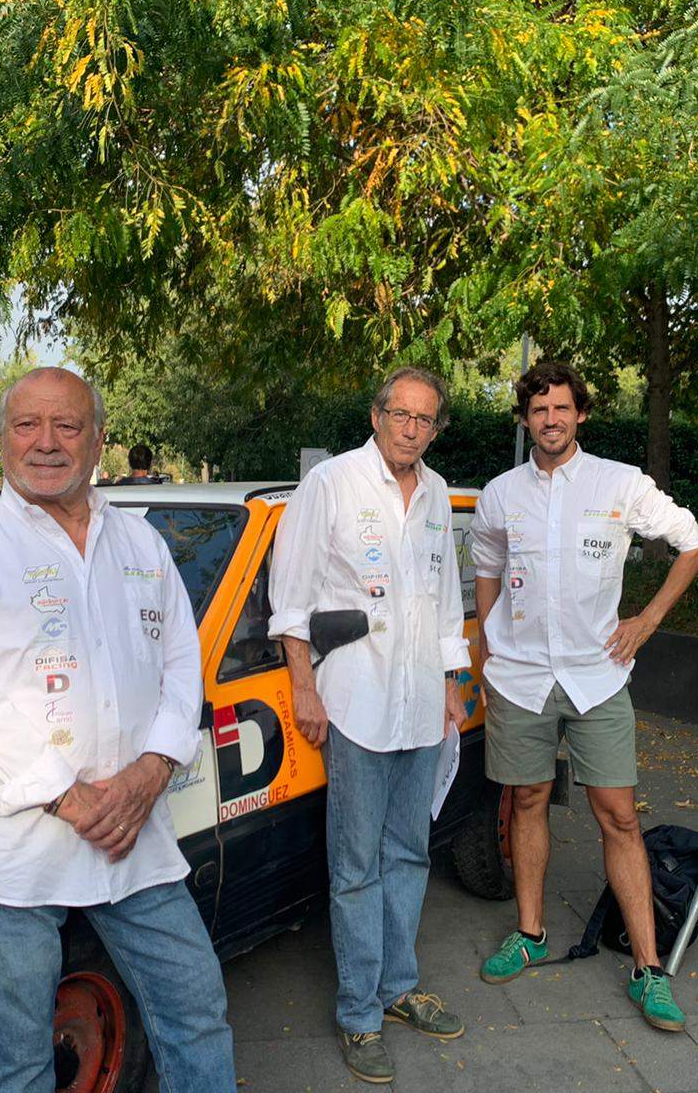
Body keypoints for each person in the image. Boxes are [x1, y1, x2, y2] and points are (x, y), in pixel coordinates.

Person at [0, 367, 235, 1093]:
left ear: (97, 440)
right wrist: (73, 799)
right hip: (16, 850)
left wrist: (152, 770)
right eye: (27, 425)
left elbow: (180, 665)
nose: (46, 442)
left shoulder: (140, 542)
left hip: (132, 828)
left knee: (195, 1007)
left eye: (66, 425)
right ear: (4, 438)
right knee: (18, 1057)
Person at [469, 360, 698, 1032]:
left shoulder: (619, 483)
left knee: (619, 816)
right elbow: (486, 567)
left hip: (597, 676)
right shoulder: (500, 494)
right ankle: (530, 932)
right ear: (525, 419)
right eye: (538, 410)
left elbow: (692, 544)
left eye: (561, 408)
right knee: (527, 800)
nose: (550, 420)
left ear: (581, 414)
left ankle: (649, 968)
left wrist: (648, 621)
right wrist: (487, 648)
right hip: (520, 678)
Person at [268, 366, 470, 1085]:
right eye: (400, 415)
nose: (411, 429)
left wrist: (451, 683)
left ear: (436, 429)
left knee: (410, 854)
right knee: (355, 867)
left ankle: (397, 987)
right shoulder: (331, 484)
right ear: (377, 415)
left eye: (425, 419)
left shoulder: (438, 493)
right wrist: (304, 689)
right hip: (354, 702)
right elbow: (290, 600)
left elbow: (444, 598)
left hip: (419, 705)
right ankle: (359, 1013)